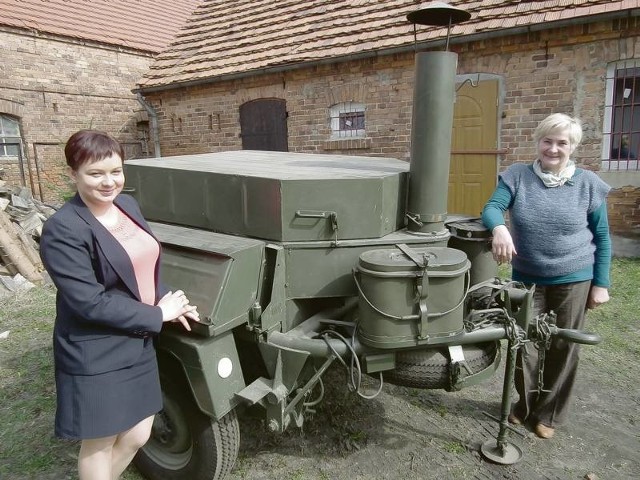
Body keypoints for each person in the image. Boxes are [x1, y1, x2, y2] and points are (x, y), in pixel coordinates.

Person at [40, 130, 199, 479]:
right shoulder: (63, 229)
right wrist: (159, 315)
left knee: (139, 433)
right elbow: (89, 303)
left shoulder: (127, 206)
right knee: (99, 442)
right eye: (95, 174)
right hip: (95, 350)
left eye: (116, 171)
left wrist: (171, 300)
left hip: (135, 340)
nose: (109, 182)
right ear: (73, 174)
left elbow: (142, 265)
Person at [481, 113, 611, 440]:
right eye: (547, 141)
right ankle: (524, 406)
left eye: (562, 143)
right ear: (538, 142)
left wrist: (601, 284)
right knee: (523, 343)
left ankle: (549, 414)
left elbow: (603, 237)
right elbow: (492, 208)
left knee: (563, 346)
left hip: (574, 278)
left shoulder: (588, 184)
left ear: (573, 147)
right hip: (528, 278)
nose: (553, 149)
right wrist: (499, 228)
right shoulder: (517, 175)